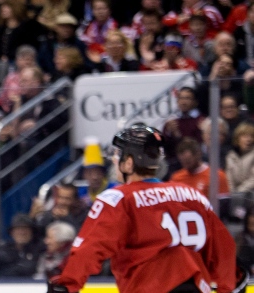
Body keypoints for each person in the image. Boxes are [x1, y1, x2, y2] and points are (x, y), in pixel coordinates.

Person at [48, 125, 238, 293]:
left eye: (116, 155)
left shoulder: (119, 198)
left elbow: (89, 250)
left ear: (129, 163)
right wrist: (227, 286)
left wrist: (67, 284)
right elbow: (224, 249)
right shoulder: (192, 195)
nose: (114, 161)